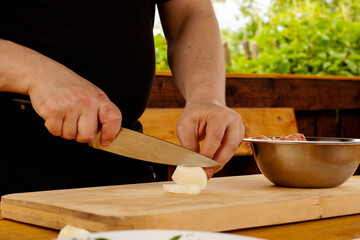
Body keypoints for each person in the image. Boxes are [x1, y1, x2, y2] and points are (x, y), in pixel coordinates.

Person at [0, 0, 245, 196]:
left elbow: (191, 11)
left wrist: (205, 96)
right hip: (11, 166)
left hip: (122, 166)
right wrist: (34, 73)